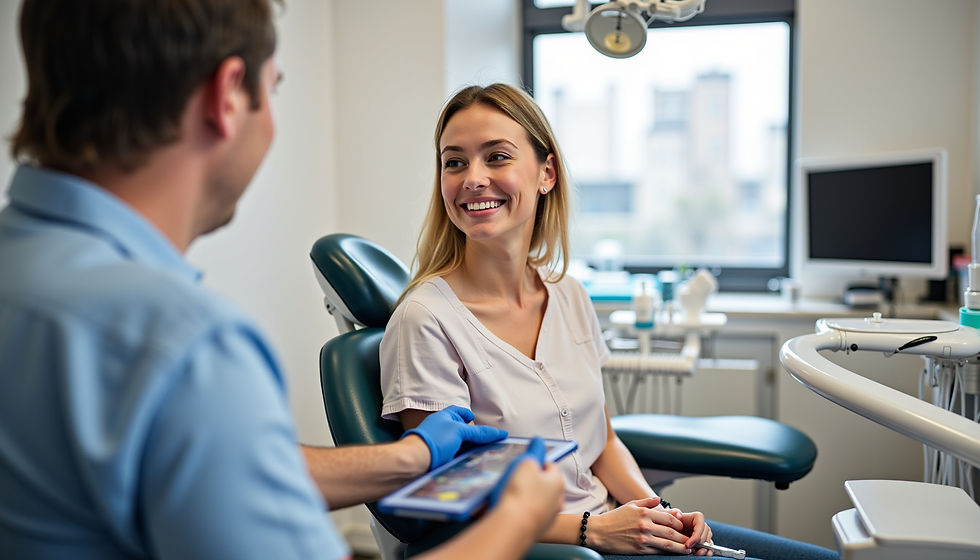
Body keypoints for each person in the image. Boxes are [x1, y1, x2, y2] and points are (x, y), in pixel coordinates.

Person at [0, 2, 564, 559]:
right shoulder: (183, 344)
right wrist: (518, 515)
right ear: (226, 97)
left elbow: (223, 463)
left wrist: (412, 456)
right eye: (272, 88)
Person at [379, 83, 839, 560]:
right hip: (551, 548)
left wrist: (657, 510)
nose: (472, 178)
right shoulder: (425, 319)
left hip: (616, 527)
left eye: (497, 157)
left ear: (547, 174)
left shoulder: (569, 295)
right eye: (454, 162)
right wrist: (591, 531)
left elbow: (602, 442)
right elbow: (448, 501)